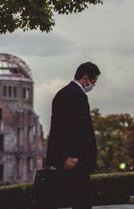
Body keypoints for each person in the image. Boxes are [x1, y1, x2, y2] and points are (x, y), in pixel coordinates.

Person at [45, 62, 101, 209]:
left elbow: (59, 128)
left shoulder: (62, 93)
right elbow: (76, 128)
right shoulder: (78, 96)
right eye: (93, 83)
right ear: (86, 78)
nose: (92, 86)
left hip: (63, 157)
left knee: (64, 199)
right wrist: (73, 154)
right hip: (75, 159)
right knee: (82, 199)